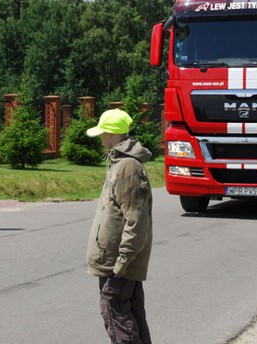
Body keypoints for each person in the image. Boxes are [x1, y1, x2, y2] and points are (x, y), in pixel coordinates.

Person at [85, 109, 154, 344]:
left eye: (103, 133)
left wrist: (121, 263)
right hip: (114, 262)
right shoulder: (119, 163)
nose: (101, 137)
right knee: (129, 314)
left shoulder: (127, 167)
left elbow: (136, 220)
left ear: (111, 134)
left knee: (117, 317)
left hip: (118, 264)